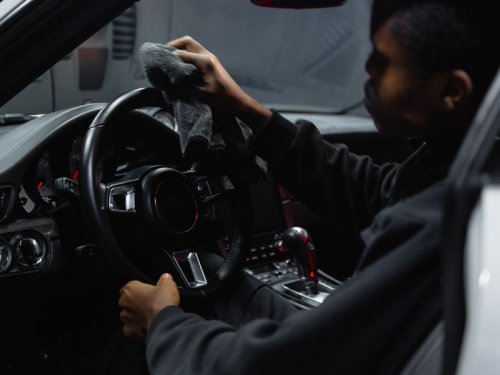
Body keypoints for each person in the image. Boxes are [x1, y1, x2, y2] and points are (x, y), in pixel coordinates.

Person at [118, 0, 500, 373]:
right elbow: (375, 192)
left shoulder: (440, 226)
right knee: (215, 274)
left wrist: (161, 323)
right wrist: (245, 108)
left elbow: (273, 364)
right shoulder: (461, 167)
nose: (366, 68)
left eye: (382, 62)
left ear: (452, 91)